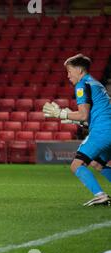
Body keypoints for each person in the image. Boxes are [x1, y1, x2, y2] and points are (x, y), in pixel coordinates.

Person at [43, 54, 111, 206]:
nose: (68, 75)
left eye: (69, 71)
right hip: (108, 129)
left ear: (79, 70)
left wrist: (60, 113)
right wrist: (70, 118)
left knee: (77, 165)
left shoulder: (82, 84)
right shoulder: (96, 84)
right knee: (98, 163)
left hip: (102, 132)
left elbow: (83, 114)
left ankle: (100, 195)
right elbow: (93, 116)